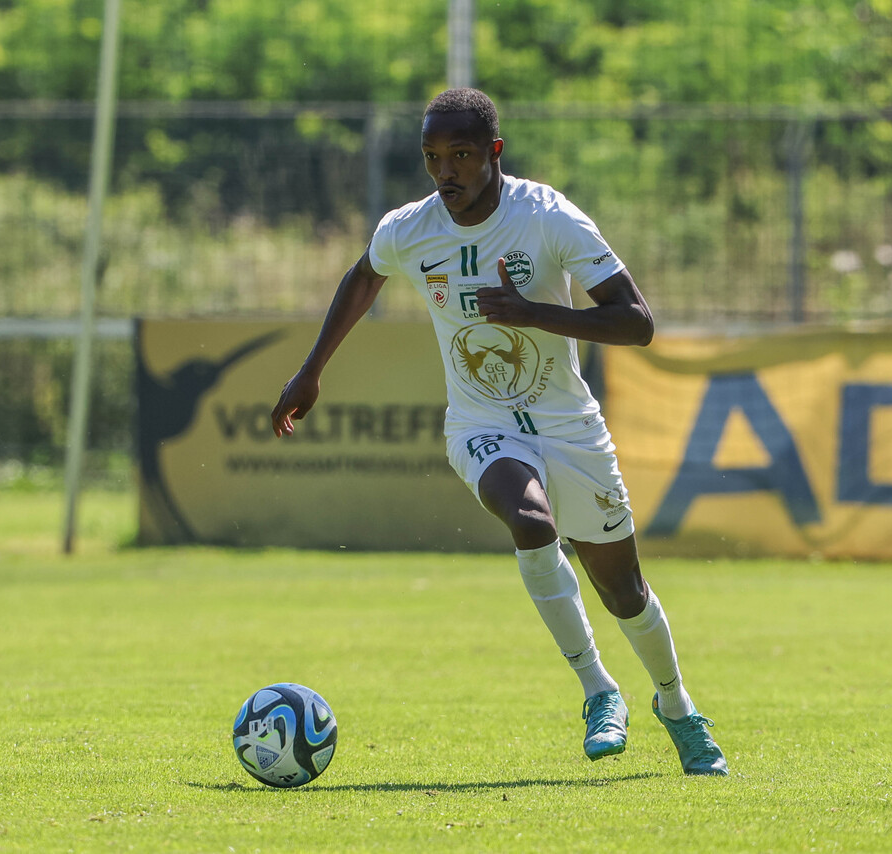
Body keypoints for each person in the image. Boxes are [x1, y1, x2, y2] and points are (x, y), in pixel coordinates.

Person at [270, 87, 727, 776]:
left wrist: (532, 313)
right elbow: (363, 277)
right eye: (432, 158)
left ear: (494, 152)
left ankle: (676, 704)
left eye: (460, 155)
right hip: (481, 424)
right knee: (531, 520)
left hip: (568, 425)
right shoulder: (411, 227)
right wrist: (311, 371)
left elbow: (636, 322)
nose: (445, 172)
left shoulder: (548, 218)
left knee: (625, 593)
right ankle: (599, 690)